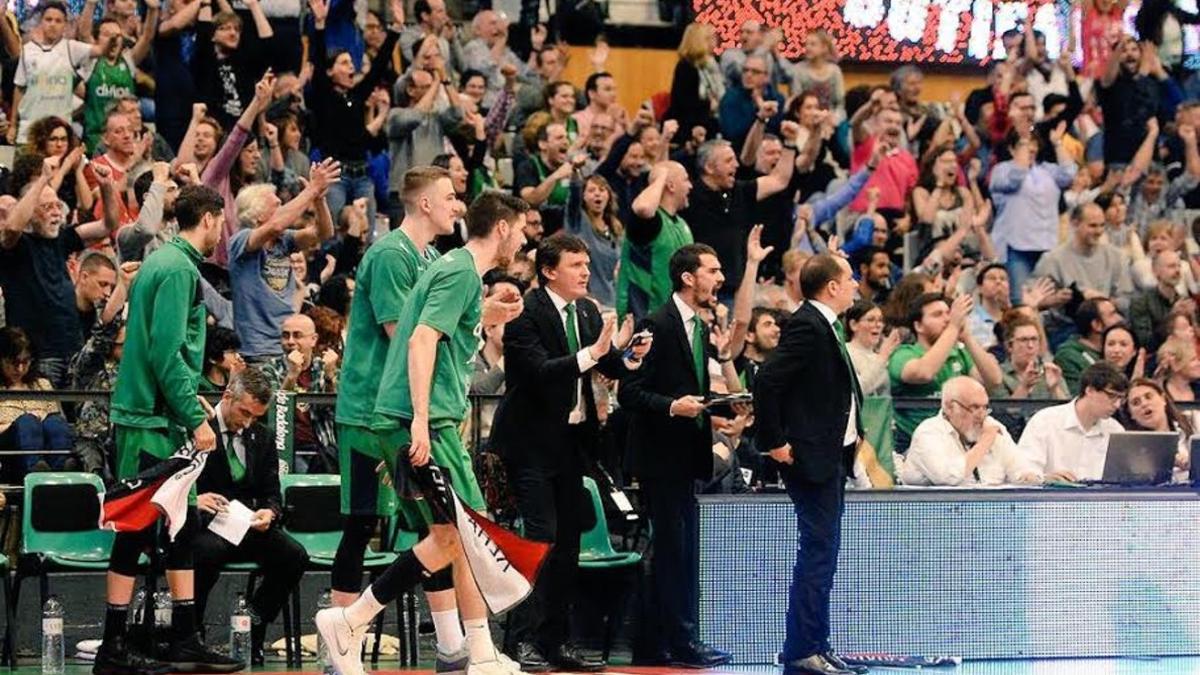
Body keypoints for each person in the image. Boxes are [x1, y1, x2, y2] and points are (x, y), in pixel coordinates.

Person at [357, 191, 528, 675]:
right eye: (520, 228)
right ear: (500, 228)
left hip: (417, 419)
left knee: (453, 537)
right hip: (425, 420)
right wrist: (418, 420)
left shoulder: (455, 269)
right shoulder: (459, 271)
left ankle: (475, 651)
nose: (523, 238)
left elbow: (441, 328)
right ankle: (354, 620)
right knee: (469, 532)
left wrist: (493, 314)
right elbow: (421, 338)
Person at [330, 166, 474, 673]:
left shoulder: (433, 257)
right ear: (425, 204)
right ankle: (340, 641)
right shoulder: (391, 254)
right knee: (362, 522)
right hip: (372, 411)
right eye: (451, 196)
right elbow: (404, 333)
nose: (459, 205)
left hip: (404, 411)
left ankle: (453, 644)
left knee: (428, 526)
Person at [94, 184, 240, 674]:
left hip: (158, 411)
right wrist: (197, 418)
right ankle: (113, 649)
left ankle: (184, 638)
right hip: (149, 419)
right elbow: (163, 352)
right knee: (134, 530)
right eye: (221, 221)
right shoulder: (178, 269)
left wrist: (189, 396)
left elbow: (168, 352)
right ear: (211, 218)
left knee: (179, 529)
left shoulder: (164, 262)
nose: (222, 230)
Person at [491, 233, 650, 671]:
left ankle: (556, 640)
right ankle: (521, 641)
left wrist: (627, 358)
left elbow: (602, 363)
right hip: (529, 446)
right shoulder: (527, 313)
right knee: (540, 539)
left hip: (570, 445)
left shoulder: (583, 310)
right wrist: (593, 353)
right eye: (576, 265)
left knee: (567, 545)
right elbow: (540, 372)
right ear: (549, 271)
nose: (586, 272)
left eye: (585, 264)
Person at [618, 244, 731, 669]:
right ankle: (678, 644)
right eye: (713, 270)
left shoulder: (699, 327)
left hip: (685, 457)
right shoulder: (655, 324)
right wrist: (672, 406)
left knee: (680, 553)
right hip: (660, 458)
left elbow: (691, 387)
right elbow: (629, 391)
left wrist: (717, 403)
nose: (719, 278)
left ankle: (658, 643)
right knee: (671, 552)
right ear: (688, 277)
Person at [753, 253, 866, 675]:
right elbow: (767, 380)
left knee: (825, 553)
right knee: (818, 555)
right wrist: (774, 441)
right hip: (810, 458)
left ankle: (816, 643)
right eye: (850, 278)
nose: (855, 284)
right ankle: (802, 650)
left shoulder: (825, 326)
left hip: (832, 454)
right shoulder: (807, 324)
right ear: (832, 287)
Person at [192, 368, 308, 666]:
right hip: (206, 523)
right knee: (205, 553)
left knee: (294, 555)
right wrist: (196, 500)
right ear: (227, 395)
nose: (247, 422)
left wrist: (269, 511)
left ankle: (254, 621)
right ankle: (192, 634)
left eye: (255, 416)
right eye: (244, 412)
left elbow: (272, 491)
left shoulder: (262, 436)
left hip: (246, 523)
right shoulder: (197, 426)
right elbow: (176, 478)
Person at [0, 160, 121, 388]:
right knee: (51, 419)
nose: (56, 213)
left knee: (78, 417)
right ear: (30, 212)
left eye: (58, 206)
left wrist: (106, 186)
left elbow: (109, 224)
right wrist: (43, 179)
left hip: (73, 348)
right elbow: (13, 228)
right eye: (47, 207)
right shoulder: (14, 246)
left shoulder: (62, 239)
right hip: (39, 354)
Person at [228, 160, 340, 362]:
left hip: (289, 344)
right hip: (257, 349)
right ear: (258, 214)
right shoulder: (242, 239)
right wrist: (311, 189)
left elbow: (324, 232)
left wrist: (319, 199)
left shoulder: (285, 239)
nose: (285, 207)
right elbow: (275, 226)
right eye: (277, 204)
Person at [888, 293, 1003, 451]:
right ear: (918, 326)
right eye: (937, 315)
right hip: (913, 445)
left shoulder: (959, 353)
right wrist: (953, 327)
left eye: (949, 314)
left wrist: (968, 338)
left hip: (957, 444)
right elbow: (924, 373)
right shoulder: (904, 354)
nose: (947, 319)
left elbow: (994, 381)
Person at [900, 376, 1035, 486]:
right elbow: (948, 478)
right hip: (934, 514)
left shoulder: (991, 426)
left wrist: (1031, 477)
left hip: (987, 511)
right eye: (974, 407)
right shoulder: (928, 433)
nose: (982, 415)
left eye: (984, 407)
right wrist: (984, 442)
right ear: (949, 407)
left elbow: (1020, 468)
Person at [1016, 361, 1129, 482]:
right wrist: (1045, 479)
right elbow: (1023, 471)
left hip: (1099, 499)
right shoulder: (1045, 421)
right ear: (1089, 390)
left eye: (1120, 399)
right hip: (1051, 498)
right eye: (1111, 396)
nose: (1117, 405)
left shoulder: (1116, 430)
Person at [616, 161, 694, 320]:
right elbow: (643, 207)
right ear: (670, 186)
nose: (691, 186)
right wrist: (662, 175)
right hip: (645, 318)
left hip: (675, 318)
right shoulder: (649, 224)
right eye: (686, 180)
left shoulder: (681, 224)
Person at [0, 327, 73, 478]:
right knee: (27, 422)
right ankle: (35, 470)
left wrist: (43, 417)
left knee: (55, 422)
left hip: (45, 444)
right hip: (9, 451)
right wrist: (18, 422)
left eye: (25, 362)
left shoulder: (42, 384)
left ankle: (62, 469)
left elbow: (58, 421)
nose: (20, 369)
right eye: (13, 363)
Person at [1053, 297, 1123, 394]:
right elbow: (1078, 396)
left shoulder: (1121, 349)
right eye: (1112, 314)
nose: (1119, 319)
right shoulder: (1068, 356)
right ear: (1096, 325)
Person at [844, 300, 899, 397]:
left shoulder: (882, 356)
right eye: (870, 320)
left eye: (881, 320)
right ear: (853, 325)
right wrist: (883, 356)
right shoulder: (845, 352)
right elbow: (858, 389)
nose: (878, 325)